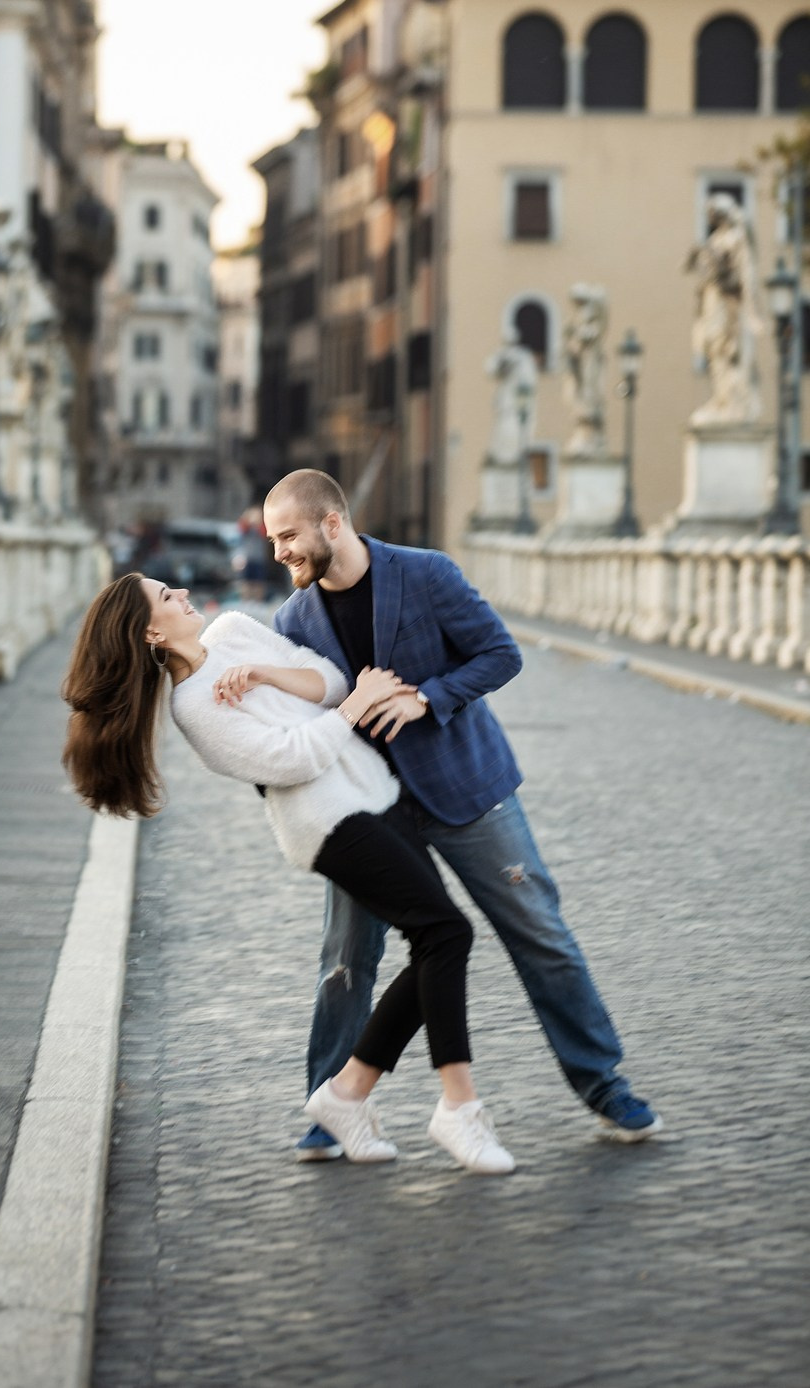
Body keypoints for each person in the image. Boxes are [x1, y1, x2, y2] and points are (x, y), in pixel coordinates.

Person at [263, 468, 663, 1160]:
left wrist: (428, 697)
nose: (280, 554)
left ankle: (602, 1084)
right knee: (345, 959)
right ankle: (329, 1105)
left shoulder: (426, 574)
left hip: (468, 790)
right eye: (273, 541)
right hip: (367, 814)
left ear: (332, 523)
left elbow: (499, 655)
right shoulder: (292, 622)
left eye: (288, 536)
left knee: (540, 933)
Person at [60, 571, 517, 1175]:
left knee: (442, 938)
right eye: (169, 598)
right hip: (330, 826)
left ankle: (348, 1095)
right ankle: (456, 1107)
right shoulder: (193, 708)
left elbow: (328, 680)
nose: (186, 595)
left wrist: (266, 673)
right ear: (149, 631)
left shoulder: (234, 630)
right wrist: (356, 707)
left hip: (377, 794)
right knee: (444, 934)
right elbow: (290, 762)